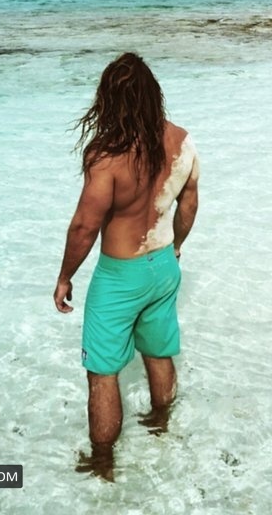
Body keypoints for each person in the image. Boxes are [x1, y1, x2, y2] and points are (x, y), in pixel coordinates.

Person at [53, 52, 199, 481]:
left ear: (109, 100)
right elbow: (189, 204)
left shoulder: (106, 155)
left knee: (102, 372)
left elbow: (84, 226)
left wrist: (65, 276)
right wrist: (176, 248)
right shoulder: (182, 140)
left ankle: (102, 462)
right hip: (163, 265)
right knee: (159, 351)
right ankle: (161, 422)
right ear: (153, 95)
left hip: (120, 277)